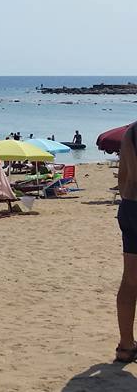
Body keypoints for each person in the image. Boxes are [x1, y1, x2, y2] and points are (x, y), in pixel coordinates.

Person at [115, 122, 137, 363]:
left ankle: (126, 346)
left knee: (130, 280)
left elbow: (123, 178)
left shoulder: (131, 131)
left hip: (130, 206)